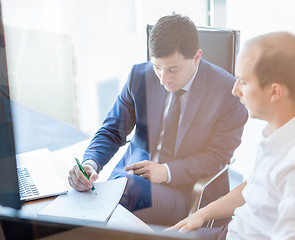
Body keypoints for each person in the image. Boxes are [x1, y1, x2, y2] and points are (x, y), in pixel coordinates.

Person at [67, 13, 248, 226]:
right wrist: (91, 163)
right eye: (157, 67)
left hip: (183, 189)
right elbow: (113, 130)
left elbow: (218, 156)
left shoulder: (228, 92)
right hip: (128, 180)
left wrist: (167, 172)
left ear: (197, 57)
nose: (163, 79)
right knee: (92, 200)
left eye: (173, 69)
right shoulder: (139, 76)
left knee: (111, 206)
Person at [167, 32, 295, 239]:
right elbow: (256, 186)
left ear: (275, 92)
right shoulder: (287, 126)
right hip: (230, 231)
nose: (234, 90)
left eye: (243, 81)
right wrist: (201, 214)